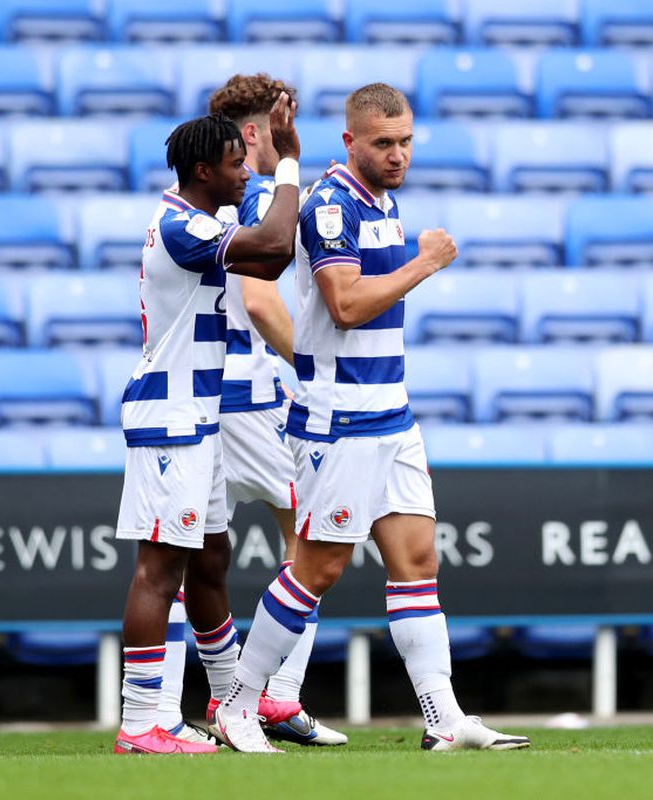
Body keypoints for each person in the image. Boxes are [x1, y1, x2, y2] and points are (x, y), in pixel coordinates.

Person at [211, 83, 531, 754]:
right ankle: (239, 702)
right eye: (383, 143)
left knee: (417, 562)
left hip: (392, 414)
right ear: (351, 141)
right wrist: (425, 262)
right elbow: (347, 304)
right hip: (341, 420)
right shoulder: (330, 207)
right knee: (317, 568)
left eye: (406, 141)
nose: (397, 154)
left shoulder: (383, 201)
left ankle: (444, 720)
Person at [153, 74, 345, 748]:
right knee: (314, 538)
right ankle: (270, 697)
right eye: (282, 125)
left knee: (199, 557)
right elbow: (261, 301)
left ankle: (201, 702)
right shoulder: (257, 196)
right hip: (244, 398)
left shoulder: (233, 200)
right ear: (259, 132)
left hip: (217, 395)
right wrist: (316, 369)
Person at [112, 94, 302, 755]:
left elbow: (271, 254)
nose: (243, 171)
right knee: (158, 571)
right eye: (233, 163)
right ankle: (141, 722)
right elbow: (274, 246)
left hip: (199, 412)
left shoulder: (196, 219)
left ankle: (226, 698)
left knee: (209, 559)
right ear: (201, 170)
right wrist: (288, 168)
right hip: (171, 416)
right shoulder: (179, 228)